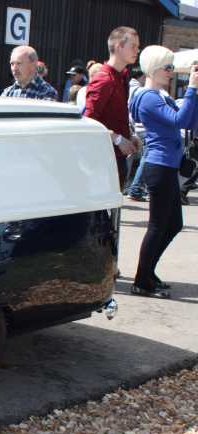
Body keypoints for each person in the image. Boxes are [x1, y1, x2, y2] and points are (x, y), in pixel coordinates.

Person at [129, 46, 198, 298]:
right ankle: (142, 280)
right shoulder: (150, 97)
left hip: (166, 165)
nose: (171, 71)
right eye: (167, 67)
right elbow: (181, 121)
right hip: (160, 166)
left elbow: (190, 121)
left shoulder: (160, 96)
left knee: (174, 224)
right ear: (153, 68)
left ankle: (148, 272)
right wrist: (191, 88)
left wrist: (195, 93)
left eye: (171, 67)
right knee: (158, 226)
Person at [84, 26, 142, 190]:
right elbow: (88, 122)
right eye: (133, 46)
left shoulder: (122, 76)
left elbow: (116, 115)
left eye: (137, 47)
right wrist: (118, 139)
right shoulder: (104, 79)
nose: (137, 51)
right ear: (118, 46)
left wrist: (129, 134)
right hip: (102, 161)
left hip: (115, 158)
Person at [126, 65, 149, 201]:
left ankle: (126, 186)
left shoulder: (126, 87)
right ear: (143, 76)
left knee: (129, 157)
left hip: (129, 126)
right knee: (144, 158)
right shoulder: (140, 90)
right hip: (139, 127)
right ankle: (135, 188)